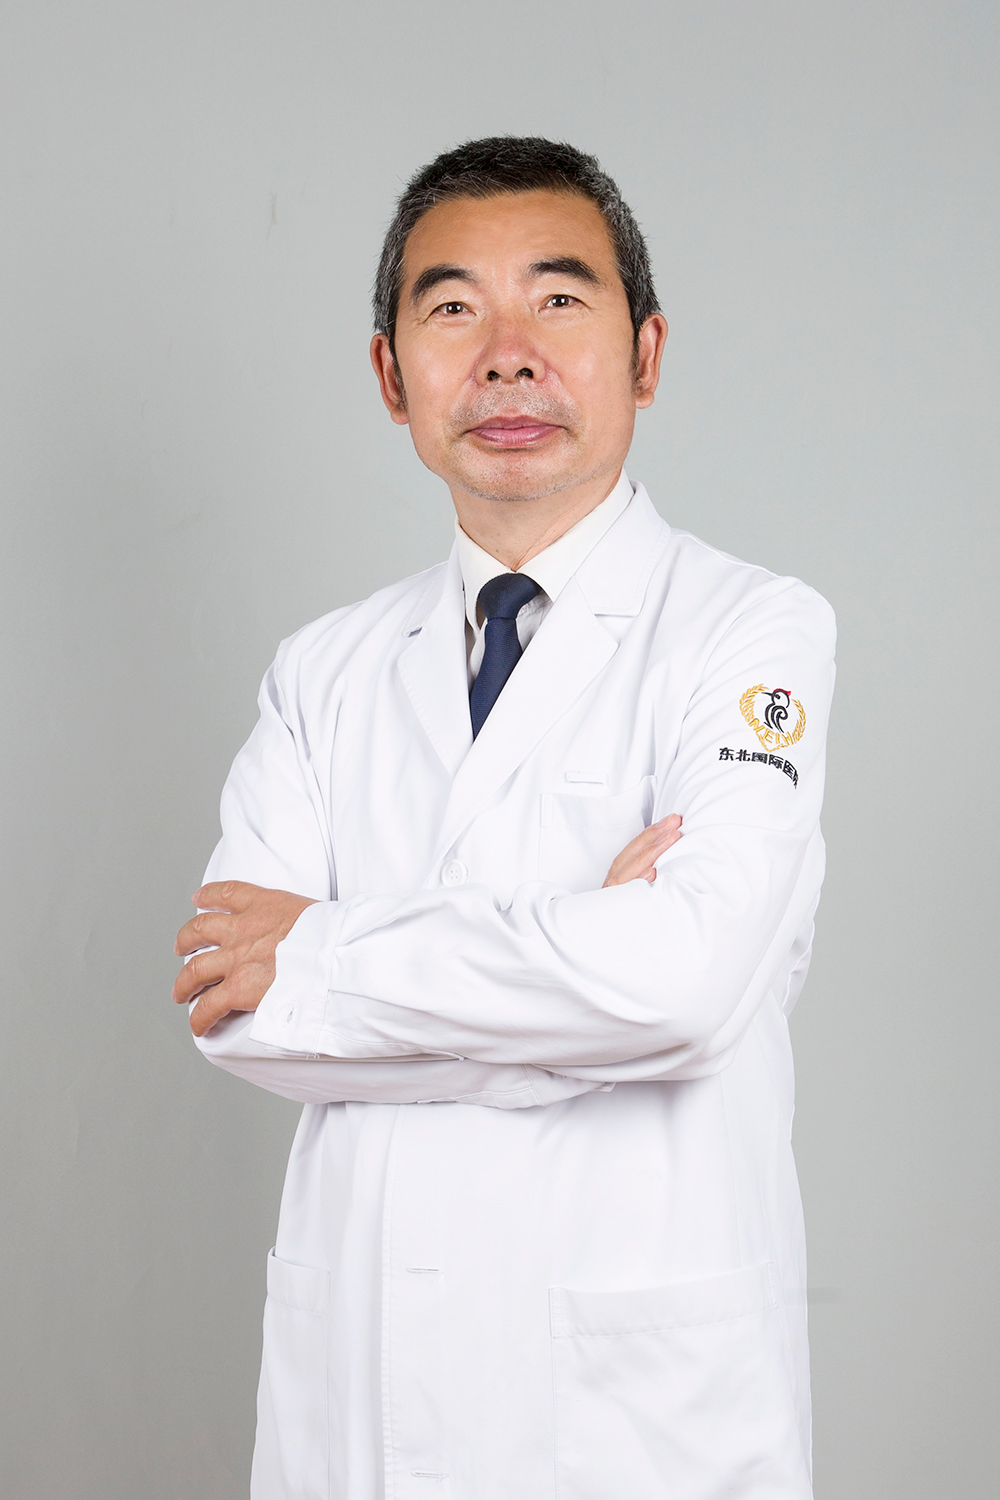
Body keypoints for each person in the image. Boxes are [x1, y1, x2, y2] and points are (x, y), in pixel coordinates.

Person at [173, 136, 835, 1500]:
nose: (508, 356)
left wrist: (326, 950)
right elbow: (235, 1007)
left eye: (560, 299)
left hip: (637, 1416)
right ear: (390, 374)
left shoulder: (752, 629)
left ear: (646, 354)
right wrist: (587, 979)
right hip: (362, 1394)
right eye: (454, 309)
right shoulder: (321, 671)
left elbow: (688, 984)